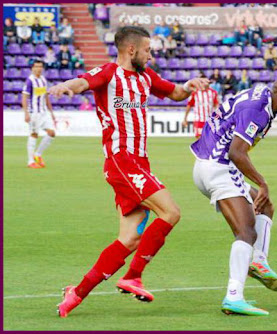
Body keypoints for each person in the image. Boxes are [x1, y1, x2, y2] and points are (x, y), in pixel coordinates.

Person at [49, 26, 209, 318]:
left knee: (129, 240)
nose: (151, 54)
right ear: (131, 50)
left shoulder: (147, 77)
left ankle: (76, 295)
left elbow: (174, 92)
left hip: (139, 164)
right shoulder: (109, 73)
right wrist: (67, 87)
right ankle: (133, 276)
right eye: (148, 50)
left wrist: (189, 85)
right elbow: (83, 82)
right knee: (171, 212)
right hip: (122, 161)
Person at [190, 73, 277, 315]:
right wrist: (262, 182)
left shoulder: (262, 96)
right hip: (218, 166)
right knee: (246, 230)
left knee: (264, 207)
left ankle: (258, 262)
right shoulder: (259, 109)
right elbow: (237, 153)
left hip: (207, 164)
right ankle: (234, 296)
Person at [22, 60, 56, 169]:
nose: (39, 68)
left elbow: (46, 97)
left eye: (40, 66)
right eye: (36, 66)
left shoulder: (43, 80)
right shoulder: (30, 81)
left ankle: (38, 155)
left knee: (51, 133)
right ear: (32, 68)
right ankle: (30, 161)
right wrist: (26, 113)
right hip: (34, 113)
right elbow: (24, 98)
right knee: (34, 134)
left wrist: (51, 112)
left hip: (44, 112)